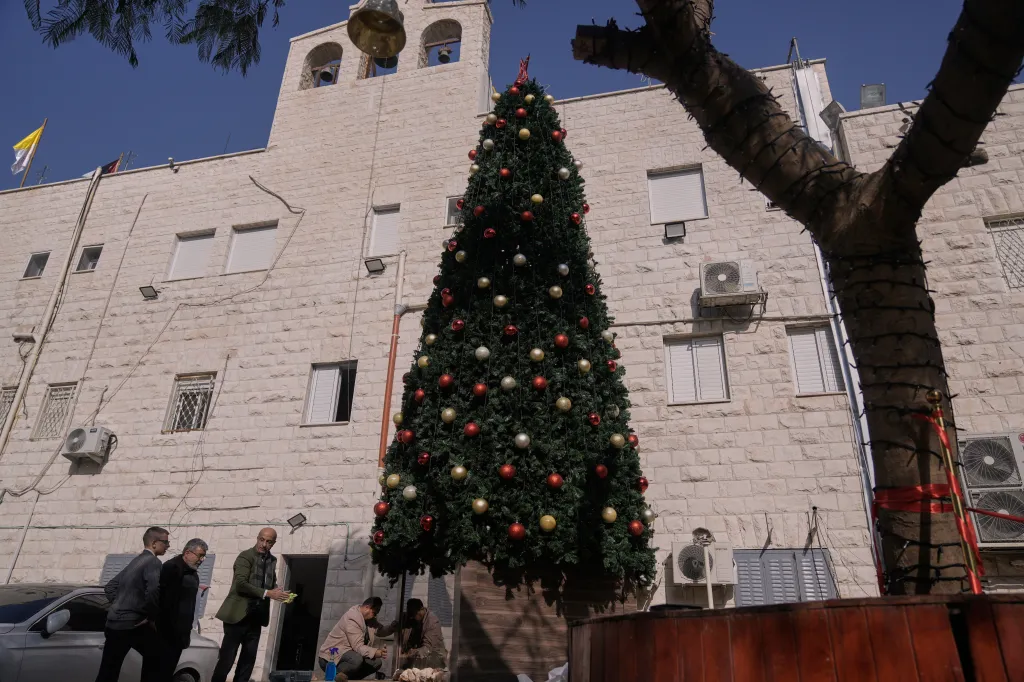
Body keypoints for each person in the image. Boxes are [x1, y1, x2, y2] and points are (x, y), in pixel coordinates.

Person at [212, 528, 290, 682]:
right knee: (227, 659)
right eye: (262, 540)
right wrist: (268, 593)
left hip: (256, 616)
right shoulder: (245, 557)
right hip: (237, 615)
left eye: (268, 542)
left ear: (273, 543)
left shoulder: (272, 560)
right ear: (257, 538)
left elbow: (270, 583)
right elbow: (241, 584)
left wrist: (279, 593)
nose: (264, 544)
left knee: (248, 661)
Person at [95, 526, 170, 682]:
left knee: (108, 670)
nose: (168, 546)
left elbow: (110, 587)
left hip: (113, 624)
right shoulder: (153, 562)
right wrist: (151, 617)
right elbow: (153, 591)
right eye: (166, 543)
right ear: (154, 543)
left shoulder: (136, 561)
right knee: (158, 658)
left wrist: (120, 605)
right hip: (133, 625)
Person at [156, 538, 208, 682]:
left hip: (179, 635)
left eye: (204, 556)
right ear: (187, 552)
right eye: (200, 555)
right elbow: (164, 602)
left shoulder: (193, 574)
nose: (202, 560)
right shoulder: (172, 568)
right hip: (165, 634)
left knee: (167, 674)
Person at [318, 597, 397, 680]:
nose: (375, 615)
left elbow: (380, 630)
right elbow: (358, 646)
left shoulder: (369, 620)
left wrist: (392, 627)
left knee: (376, 662)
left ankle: (350, 679)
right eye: (374, 613)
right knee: (356, 659)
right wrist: (376, 652)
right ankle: (333, 678)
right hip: (330, 657)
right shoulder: (352, 618)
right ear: (367, 607)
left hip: (348, 655)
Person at [399, 599, 447, 670]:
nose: (412, 617)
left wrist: (409, 653)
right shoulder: (412, 618)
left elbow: (427, 649)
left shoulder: (432, 622)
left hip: (432, 660)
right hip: (415, 658)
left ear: (422, 609)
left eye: (414, 614)